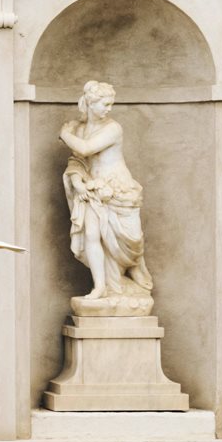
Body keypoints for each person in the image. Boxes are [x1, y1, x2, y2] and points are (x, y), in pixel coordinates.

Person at [59, 80, 151, 307]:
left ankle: (134, 265)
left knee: (132, 239)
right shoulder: (80, 130)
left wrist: (64, 133)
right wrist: (77, 181)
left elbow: (85, 149)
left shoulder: (113, 128)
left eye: (111, 104)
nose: (109, 109)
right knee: (91, 235)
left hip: (119, 190)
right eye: (105, 104)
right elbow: (77, 160)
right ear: (90, 103)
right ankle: (100, 286)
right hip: (93, 190)